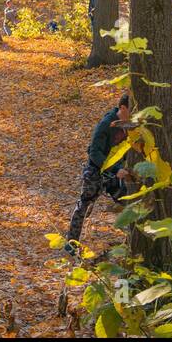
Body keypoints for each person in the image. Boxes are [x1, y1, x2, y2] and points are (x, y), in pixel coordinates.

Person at [65, 94, 133, 249]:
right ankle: (71, 244)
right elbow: (94, 152)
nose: (134, 114)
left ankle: (132, 243)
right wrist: (115, 169)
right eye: (131, 109)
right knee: (84, 205)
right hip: (95, 171)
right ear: (122, 108)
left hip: (115, 176)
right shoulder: (106, 124)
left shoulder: (130, 127)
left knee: (129, 203)